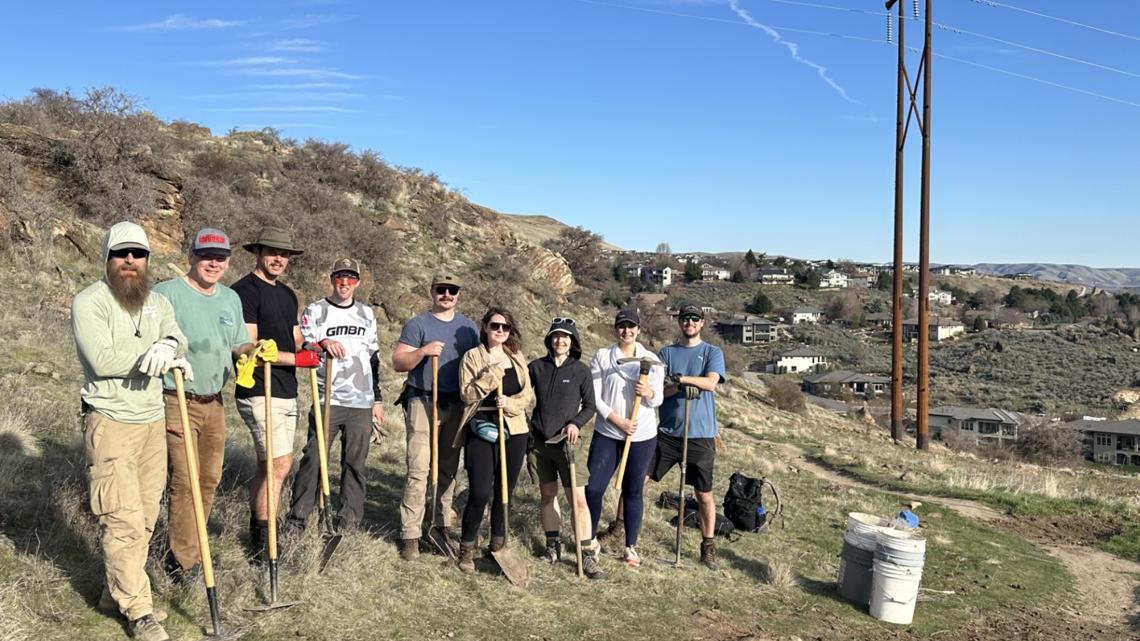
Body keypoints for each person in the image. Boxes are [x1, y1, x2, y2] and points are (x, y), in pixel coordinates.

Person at [72, 221, 189, 641]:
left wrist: (171, 347)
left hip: (151, 422)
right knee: (120, 519)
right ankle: (140, 611)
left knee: (143, 519)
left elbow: (177, 335)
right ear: (107, 257)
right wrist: (151, 351)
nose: (130, 261)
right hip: (110, 422)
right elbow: (102, 358)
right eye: (121, 253)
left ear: (146, 261)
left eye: (138, 254)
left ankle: (113, 594)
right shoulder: (90, 301)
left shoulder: (157, 303)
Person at [153, 228, 253, 581]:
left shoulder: (229, 299)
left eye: (221, 257)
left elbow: (239, 344)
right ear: (191, 257)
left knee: (208, 479)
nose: (214, 263)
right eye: (207, 255)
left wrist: (256, 351)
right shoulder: (166, 294)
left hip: (214, 402)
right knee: (185, 479)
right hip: (175, 397)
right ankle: (183, 562)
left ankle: (190, 550)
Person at [231, 226, 320, 558]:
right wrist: (298, 359)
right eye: (272, 252)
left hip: (286, 389)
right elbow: (251, 346)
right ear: (258, 253)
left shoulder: (287, 293)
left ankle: (256, 532)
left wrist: (314, 346)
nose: (278, 258)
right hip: (258, 387)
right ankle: (267, 541)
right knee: (280, 464)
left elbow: (295, 337)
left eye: (284, 254)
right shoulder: (244, 291)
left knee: (267, 465)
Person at [287, 258, 384, 532]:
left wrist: (377, 399)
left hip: (360, 401)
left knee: (355, 463)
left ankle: (348, 520)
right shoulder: (315, 311)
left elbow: (374, 359)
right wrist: (322, 343)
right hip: (326, 398)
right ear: (332, 279)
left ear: (358, 283)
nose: (345, 282)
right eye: (340, 277)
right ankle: (299, 518)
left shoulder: (366, 314)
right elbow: (302, 344)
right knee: (313, 459)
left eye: (351, 278)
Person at [392, 274, 480, 560]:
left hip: (457, 404)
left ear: (458, 294)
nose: (446, 294)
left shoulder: (468, 328)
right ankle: (410, 535)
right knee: (418, 469)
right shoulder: (418, 324)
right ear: (432, 292)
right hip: (423, 400)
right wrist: (423, 352)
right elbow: (398, 362)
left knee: (447, 470)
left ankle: (440, 526)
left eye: (452, 290)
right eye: (441, 289)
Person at [453, 307, 535, 572]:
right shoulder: (472, 357)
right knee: (479, 491)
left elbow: (527, 396)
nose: (500, 331)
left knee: (504, 491)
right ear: (485, 328)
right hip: (481, 426)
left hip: (514, 428)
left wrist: (508, 402)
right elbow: (467, 395)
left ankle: (498, 545)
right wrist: (492, 375)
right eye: (495, 326)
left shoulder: (517, 357)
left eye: (505, 327)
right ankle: (466, 548)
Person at [649, 303, 727, 570]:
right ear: (679, 322)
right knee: (638, 479)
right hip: (668, 434)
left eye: (695, 319)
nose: (690, 323)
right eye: (685, 318)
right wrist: (680, 384)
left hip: (701, 436)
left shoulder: (711, 352)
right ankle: (622, 530)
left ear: (702, 323)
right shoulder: (667, 353)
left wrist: (682, 380)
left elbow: (711, 383)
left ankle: (707, 547)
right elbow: (660, 391)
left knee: (703, 494)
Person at [584, 309, 663, 569]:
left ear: (639, 330)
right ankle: (590, 541)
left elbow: (658, 399)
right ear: (615, 329)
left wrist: (648, 390)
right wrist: (618, 421)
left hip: (642, 437)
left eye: (631, 327)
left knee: (633, 491)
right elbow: (595, 398)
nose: (626, 331)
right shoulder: (603, 357)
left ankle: (630, 547)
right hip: (608, 433)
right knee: (594, 488)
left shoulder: (650, 359)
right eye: (621, 326)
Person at [527, 317, 603, 578]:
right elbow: (521, 393)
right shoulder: (536, 367)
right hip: (539, 442)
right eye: (556, 336)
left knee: (578, 501)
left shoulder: (580, 370)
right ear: (549, 340)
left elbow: (590, 406)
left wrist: (575, 423)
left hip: (568, 444)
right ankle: (552, 546)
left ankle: (587, 555)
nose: (560, 341)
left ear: (572, 342)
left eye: (565, 337)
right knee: (547, 495)